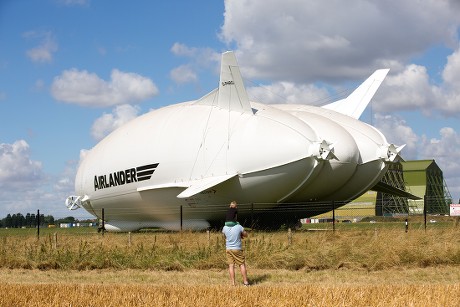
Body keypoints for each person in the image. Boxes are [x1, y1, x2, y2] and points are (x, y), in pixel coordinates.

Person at [222, 206, 249, 286]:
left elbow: (225, 236)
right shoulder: (239, 227)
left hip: (228, 249)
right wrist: (241, 234)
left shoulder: (225, 227)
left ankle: (233, 284)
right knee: (242, 264)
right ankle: (245, 283)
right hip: (237, 248)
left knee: (231, 266)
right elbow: (246, 235)